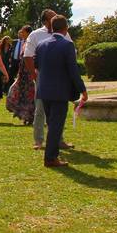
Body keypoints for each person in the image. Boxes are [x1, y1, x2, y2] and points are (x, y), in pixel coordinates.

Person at [34, 16, 88, 168]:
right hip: (59, 91)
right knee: (56, 126)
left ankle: (51, 156)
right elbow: (73, 70)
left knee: (52, 124)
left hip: (44, 90)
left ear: (51, 27)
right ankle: (50, 158)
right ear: (66, 28)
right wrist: (82, 89)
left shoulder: (41, 44)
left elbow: (37, 64)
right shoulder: (67, 45)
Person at [24, 9, 74, 152]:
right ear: (45, 21)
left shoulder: (65, 34)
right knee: (40, 108)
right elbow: (28, 56)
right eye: (52, 17)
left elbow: (71, 52)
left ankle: (59, 139)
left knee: (59, 110)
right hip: (43, 77)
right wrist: (33, 74)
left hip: (60, 77)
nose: (56, 19)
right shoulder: (35, 35)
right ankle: (39, 140)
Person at [6, 26, 35, 124]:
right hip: (22, 73)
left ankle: (29, 116)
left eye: (23, 32)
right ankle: (25, 116)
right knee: (20, 93)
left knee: (29, 95)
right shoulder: (25, 43)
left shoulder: (31, 43)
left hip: (28, 73)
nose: (21, 34)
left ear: (28, 33)